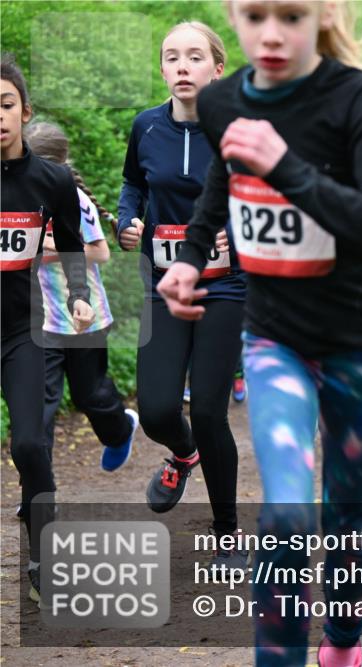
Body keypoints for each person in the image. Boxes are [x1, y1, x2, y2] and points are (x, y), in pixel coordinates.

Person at [155, 2, 362, 664]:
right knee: (287, 517)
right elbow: (225, 177)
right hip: (275, 343)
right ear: (232, 13)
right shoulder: (221, 100)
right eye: (254, 14)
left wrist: (287, 166)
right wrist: (191, 257)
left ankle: (344, 644)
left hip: (359, 346)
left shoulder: (360, 100)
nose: (271, 34)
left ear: (325, 12)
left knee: (349, 522)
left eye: (291, 15)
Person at [117, 21, 248, 567]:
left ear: (217, 69)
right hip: (164, 285)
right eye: (172, 58)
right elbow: (133, 185)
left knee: (213, 410)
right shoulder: (146, 127)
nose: (182, 67)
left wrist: (234, 229)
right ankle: (182, 454)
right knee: (157, 409)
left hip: (225, 287)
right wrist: (128, 221)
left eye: (195, 57)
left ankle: (226, 530)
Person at [2, 53, 95, 603]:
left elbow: (75, 244)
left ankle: (43, 552)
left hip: (20, 330)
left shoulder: (52, 179)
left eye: (5, 104)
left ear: (24, 111)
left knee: (31, 444)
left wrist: (80, 297)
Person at [25, 122, 139, 474]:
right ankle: (37, 489)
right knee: (39, 406)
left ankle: (121, 430)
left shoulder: (74, 199)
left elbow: (100, 252)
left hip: (83, 316)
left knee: (91, 396)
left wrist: (47, 250)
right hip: (36, 319)